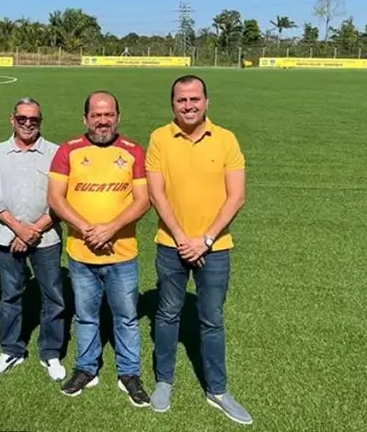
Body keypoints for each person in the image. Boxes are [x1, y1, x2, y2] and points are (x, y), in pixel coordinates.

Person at [145, 74, 252, 425]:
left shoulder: (226, 139)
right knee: (168, 314)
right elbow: (157, 193)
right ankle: (164, 382)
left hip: (215, 247)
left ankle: (217, 390)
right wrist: (180, 236)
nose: (188, 105)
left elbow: (237, 196)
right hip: (170, 245)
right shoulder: (160, 137)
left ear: (207, 101)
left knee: (212, 319)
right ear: (172, 103)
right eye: (181, 100)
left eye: (194, 99)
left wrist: (204, 239)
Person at [47, 91, 151, 407]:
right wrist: (87, 229)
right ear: (85, 119)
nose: (102, 121)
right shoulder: (69, 150)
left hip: (122, 253)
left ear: (118, 117)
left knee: (127, 317)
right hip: (81, 252)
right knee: (87, 316)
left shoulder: (134, 152)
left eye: (108, 115)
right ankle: (86, 368)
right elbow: (55, 198)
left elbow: (143, 200)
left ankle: (129, 373)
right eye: (96, 115)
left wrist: (110, 228)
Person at [0, 98, 66, 380]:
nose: (28, 124)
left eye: (34, 120)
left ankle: (51, 352)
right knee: (11, 296)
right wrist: (20, 229)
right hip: (8, 236)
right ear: (13, 120)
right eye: (23, 119)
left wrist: (33, 231)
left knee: (53, 296)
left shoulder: (55, 152)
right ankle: (10, 349)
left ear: (40, 121)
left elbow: (60, 201)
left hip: (47, 238)